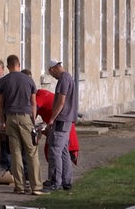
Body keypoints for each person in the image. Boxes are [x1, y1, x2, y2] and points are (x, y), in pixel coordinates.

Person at [0, 55, 48, 195]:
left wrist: (2, 122)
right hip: (25, 117)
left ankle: (19, 187)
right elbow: (33, 103)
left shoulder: (3, 81)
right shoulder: (28, 80)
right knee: (31, 152)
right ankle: (36, 187)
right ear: (19, 64)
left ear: (8, 66)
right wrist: (32, 120)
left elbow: (0, 105)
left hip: (10, 118)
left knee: (16, 153)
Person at [46, 59, 78, 191]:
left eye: (52, 74)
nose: (53, 77)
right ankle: (66, 181)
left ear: (53, 69)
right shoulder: (69, 77)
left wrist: (51, 119)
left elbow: (61, 101)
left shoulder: (63, 79)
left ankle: (56, 181)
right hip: (68, 120)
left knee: (54, 150)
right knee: (64, 151)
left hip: (61, 120)